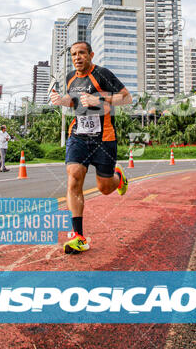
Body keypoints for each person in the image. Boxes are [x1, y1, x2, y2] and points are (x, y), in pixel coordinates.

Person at [50, 41, 133, 254]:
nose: (77, 57)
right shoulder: (70, 78)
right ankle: (79, 236)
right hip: (78, 136)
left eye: (81, 53)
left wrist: (99, 98)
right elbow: (74, 101)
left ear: (91, 55)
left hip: (104, 137)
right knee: (74, 175)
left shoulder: (102, 74)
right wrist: (61, 100)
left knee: (105, 188)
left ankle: (118, 178)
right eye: (74, 54)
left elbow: (126, 98)